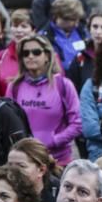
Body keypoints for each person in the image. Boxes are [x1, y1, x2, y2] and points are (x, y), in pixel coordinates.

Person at [8, 35, 81, 168]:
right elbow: (8, 123)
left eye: (36, 52)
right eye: (25, 53)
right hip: (25, 162)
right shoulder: (14, 87)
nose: (30, 56)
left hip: (57, 161)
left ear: (47, 56)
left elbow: (76, 123)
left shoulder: (63, 85)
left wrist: (54, 140)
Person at [65, 10, 102, 93]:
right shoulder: (80, 58)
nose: (98, 32)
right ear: (89, 29)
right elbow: (70, 91)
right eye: (95, 27)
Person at [38, 0, 89, 73]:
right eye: (72, 20)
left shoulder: (83, 33)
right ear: (58, 16)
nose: (76, 24)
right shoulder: (43, 38)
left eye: (77, 19)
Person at [8, 138, 61, 202]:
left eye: (21, 166)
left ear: (41, 170)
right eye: (9, 165)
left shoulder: (58, 197)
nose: (12, 171)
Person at [0, 10, 35, 97]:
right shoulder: (1, 56)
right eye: (15, 26)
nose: (19, 30)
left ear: (33, 30)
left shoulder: (46, 55)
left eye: (24, 26)